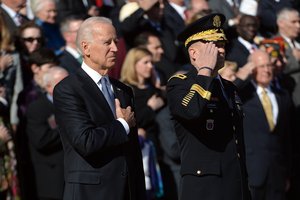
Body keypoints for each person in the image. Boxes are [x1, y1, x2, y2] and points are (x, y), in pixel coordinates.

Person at [53, 16, 146, 200]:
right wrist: (122, 125)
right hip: (90, 193)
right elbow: (85, 141)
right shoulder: (68, 89)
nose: (115, 49)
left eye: (116, 42)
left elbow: (132, 152)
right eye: (107, 43)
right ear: (86, 47)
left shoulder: (123, 90)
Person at [166, 13, 250, 200]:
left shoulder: (229, 88)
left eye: (222, 44)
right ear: (194, 53)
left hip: (235, 184)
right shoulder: (180, 83)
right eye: (213, 45)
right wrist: (205, 71)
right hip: (204, 186)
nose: (221, 50)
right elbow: (191, 111)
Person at [237, 50, 292, 200]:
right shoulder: (242, 95)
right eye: (261, 66)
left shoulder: (282, 95)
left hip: (277, 174)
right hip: (252, 174)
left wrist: (287, 173)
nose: (267, 70)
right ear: (251, 68)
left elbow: (286, 138)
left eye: (269, 65)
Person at [26, 66, 68, 200]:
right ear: (49, 87)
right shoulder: (37, 108)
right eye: (63, 83)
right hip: (53, 180)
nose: (70, 87)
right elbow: (41, 140)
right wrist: (69, 127)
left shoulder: (76, 105)